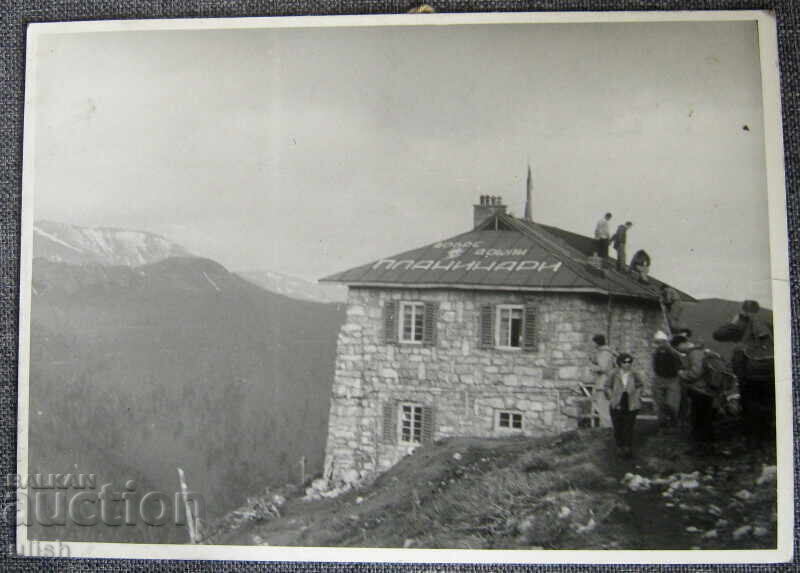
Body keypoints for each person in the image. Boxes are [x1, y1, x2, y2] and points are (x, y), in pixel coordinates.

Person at [712, 300, 775, 447]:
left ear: (742, 310)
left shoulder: (741, 324)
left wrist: (733, 322)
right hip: (770, 370)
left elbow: (718, 335)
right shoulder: (767, 323)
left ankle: (753, 441)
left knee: (750, 405)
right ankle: (768, 439)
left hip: (749, 372)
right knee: (768, 404)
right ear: (757, 310)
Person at [672, 335, 715, 452]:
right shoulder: (699, 351)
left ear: (682, 344)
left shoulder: (694, 353)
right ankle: (704, 445)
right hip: (706, 389)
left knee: (699, 418)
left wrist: (682, 374)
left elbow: (696, 372)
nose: (678, 350)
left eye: (677, 347)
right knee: (703, 417)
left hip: (700, 390)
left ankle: (700, 446)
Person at [604, 352, 644, 458]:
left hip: (630, 402)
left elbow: (640, 385)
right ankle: (619, 446)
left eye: (629, 362)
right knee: (618, 425)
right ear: (620, 363)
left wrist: (637, 395)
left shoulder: (634, 373)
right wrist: (612, 397)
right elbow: (607, 386)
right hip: (617, 401)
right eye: (625, 362)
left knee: (629, 425)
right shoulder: (614, 373)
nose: (627, 364)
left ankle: (627, 447)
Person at [651, 330, 683, 429]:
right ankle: (663, 424)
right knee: (659, 403)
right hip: (659, 378)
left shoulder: (673, 352)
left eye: (661, 342)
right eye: (657, 342)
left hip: (672, 379)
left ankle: (674, 421)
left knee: (672, 404)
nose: (659, 344)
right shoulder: (656, 353)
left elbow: (680, 363)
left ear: (665, 342)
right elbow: (655, 365)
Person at [588, 334, 616, 427]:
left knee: (603, 407)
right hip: (606, 383)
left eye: (593, 342)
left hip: (604, 383)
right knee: (603, 406)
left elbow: (603, 368)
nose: (592, 344)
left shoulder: (604, 353)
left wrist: (593, 368)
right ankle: (606, 426)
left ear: (597, 342)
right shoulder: (606, 352)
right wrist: (593, 360)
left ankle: (607, 427)